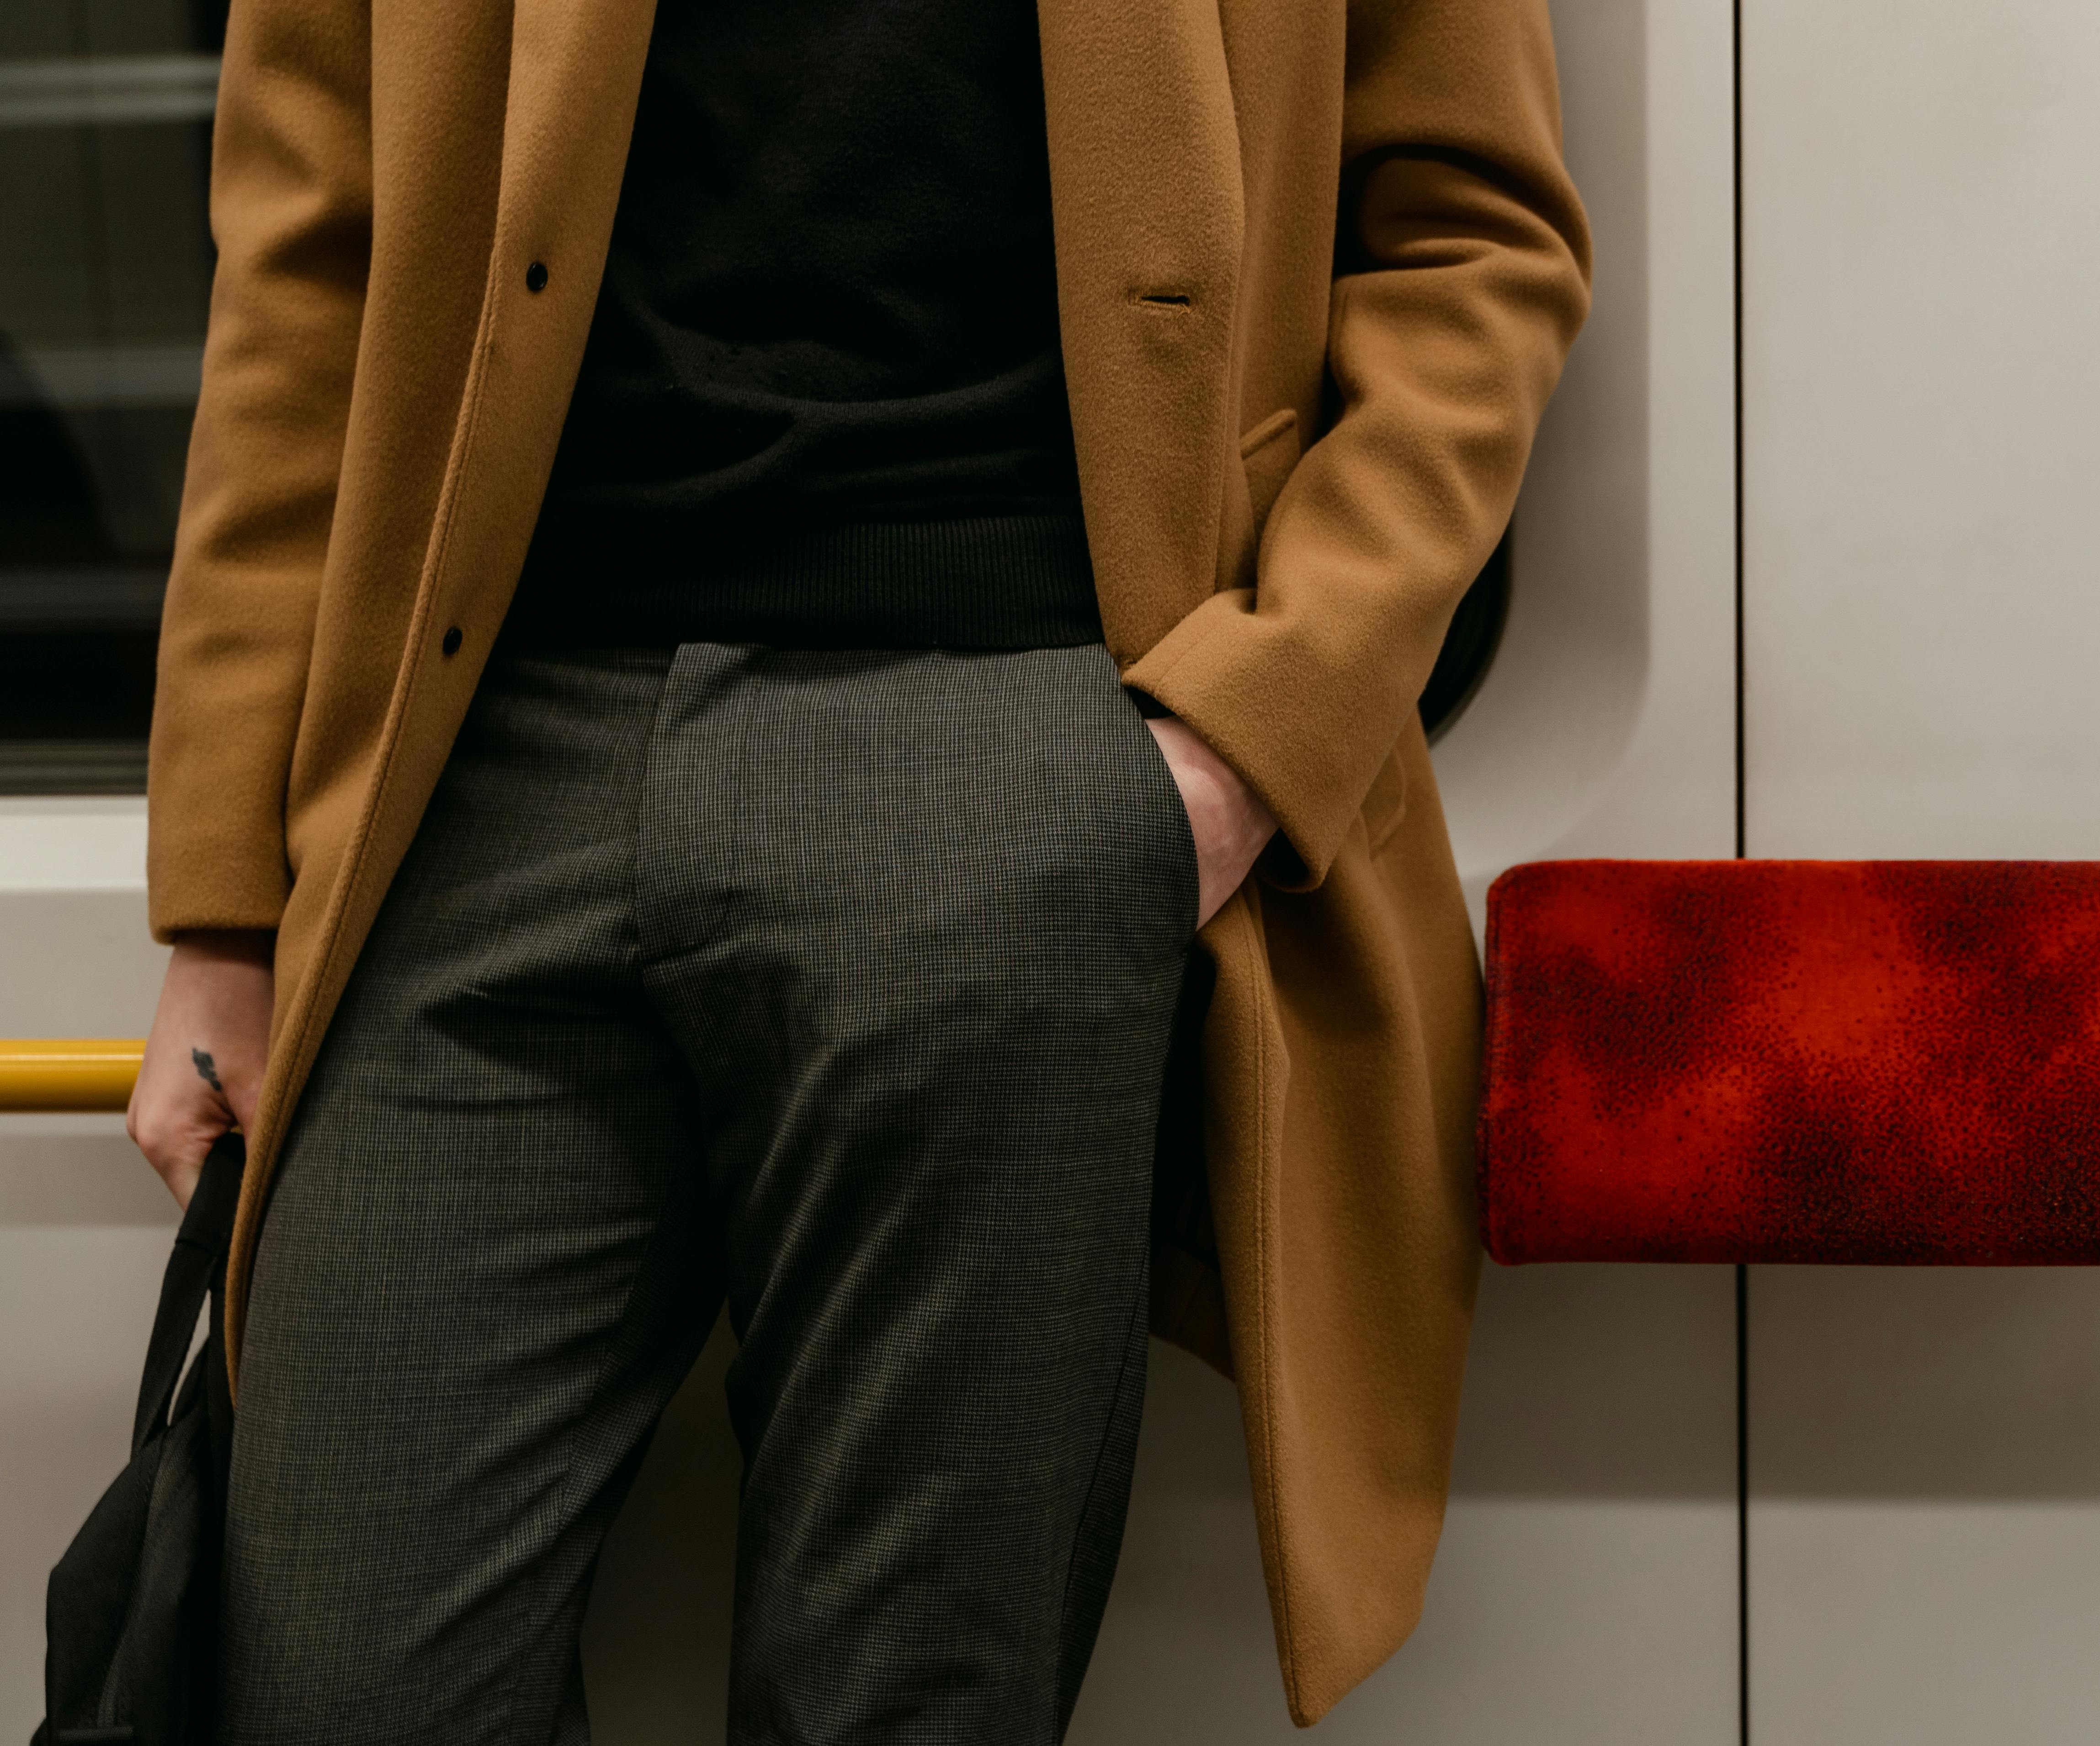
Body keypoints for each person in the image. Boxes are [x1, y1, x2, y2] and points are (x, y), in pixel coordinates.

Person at [121, 0, 1590, 1735]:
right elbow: (309, 269)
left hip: (1009, 742)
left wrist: (1245, 745)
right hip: (474, 760)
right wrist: (224, 904)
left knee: (904, 1696)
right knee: (335, 1682)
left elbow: (1473, 248)